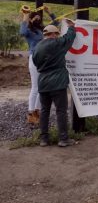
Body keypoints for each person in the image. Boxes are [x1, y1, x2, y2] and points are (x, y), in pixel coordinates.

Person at [32, 19, 77, 147]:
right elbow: (69, 38)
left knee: (45, 111)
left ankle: (44, 139)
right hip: (57, 83)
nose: (57, 36)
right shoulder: (56, 43)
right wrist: (72, 27)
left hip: (43, 83)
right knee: (61, 111)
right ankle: (63, 139)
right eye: (56, 34)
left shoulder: (36, 48)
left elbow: (36, 64)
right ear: (53, 34)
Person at [19, 5, 58, 125]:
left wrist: (48, 11)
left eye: (38, 17)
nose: (37, 18)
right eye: (34, 16)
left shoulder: (42, 31)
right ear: (30, 19)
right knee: (36, 86)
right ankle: (31, 113)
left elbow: (56, 23)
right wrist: (25, 15)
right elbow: (22, 32)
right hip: (35, 59)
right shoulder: (29, 31)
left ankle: (37, 112)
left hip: (45, 60)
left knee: (42, 87)